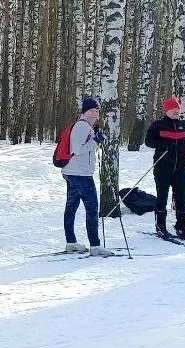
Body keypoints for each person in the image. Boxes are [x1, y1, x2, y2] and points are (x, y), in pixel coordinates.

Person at [61, 97, 114, 257]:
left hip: (72, 171)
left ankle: (71, 242)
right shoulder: (82, 126)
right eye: (91, 110)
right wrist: (96, 141)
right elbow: (77, 149)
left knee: (72, 206)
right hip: (80, 173)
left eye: (96, 111)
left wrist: (94, 138)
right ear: (84, 112)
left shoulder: (84, 126)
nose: (94, 113)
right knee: (92, 208)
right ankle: (95, 245)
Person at [144, 95, 185, 239]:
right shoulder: (158, 125)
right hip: (162, 167)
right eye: (172, 109)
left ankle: (182, 226)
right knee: (162, 197)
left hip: (180, 168)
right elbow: (148, 141)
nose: (176, 111)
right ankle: (160, 226)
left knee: (181, 197)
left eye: (177, 108)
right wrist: (163, 145)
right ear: (166, 110)